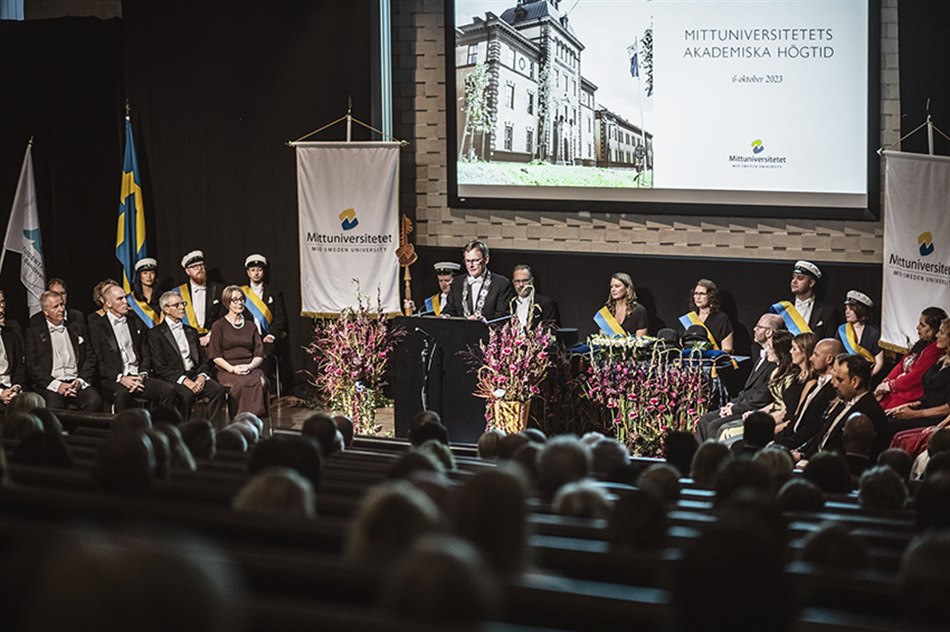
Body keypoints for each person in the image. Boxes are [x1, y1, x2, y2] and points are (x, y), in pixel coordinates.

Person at [88, 284, 176, 411]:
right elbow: (98, 361)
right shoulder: (97, 326)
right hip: (114, 379)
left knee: (168, 390)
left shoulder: (135, 321)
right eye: (120, 299)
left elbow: (145, 353)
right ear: (108, 303)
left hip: (138, 376)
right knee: (123, 394)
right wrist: (121, 378)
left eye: (125, 298)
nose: (125, 302)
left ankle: (162, 423)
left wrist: (142, 375)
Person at [696, 313, 782, 441]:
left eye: (759, 327)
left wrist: (734, 409)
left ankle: (717, 454)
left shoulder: (774, 361)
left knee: (714, 425)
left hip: (754, 411)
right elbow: (747, 391)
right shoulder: (762, 357)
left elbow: (761, 399)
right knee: (704, 420)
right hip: (742, 405)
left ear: (769, 332)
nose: (754, 329)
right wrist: (731, 404)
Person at [148, 291, 227, 424]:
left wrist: (201, 376)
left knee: (218, 390)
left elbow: (203, 359)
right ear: (166, 309)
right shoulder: (155, 334)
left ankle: (212, 430)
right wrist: (185, 381)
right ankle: (182, 431)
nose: (182, 307)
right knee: (186, 395)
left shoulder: (191, 331)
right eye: (177, 305)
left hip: (194, 374)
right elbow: (160, 367)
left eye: (182, 304)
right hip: (173, 377)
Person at [793, 355, 888, 465]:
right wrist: (802, 455)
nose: (833, 384)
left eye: (839, 380)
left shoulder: (868, 414)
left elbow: (848, 457)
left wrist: (809, 463)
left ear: (855, 382)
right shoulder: (843, 402)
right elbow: (822, 436)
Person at [25, 290, 101, 411]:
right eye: (55, 307)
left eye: (62, 304)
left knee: (94, 401)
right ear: (46, 311)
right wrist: (58, 385)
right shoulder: (33, 333)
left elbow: (90, 357)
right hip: (51, 384)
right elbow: (32, 365)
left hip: (76, 381)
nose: (61, 309)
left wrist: (80, 380)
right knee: (53, 406)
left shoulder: (78, 328)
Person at [208, 285, 269, 419]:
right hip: (226, 368)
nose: (240, 303)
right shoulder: (218, 326)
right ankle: (240, 420)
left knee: (261, 382)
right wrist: (233, 369)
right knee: (240, 383)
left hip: (249, 366)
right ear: (227, 303)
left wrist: (250, 366)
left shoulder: (251, 326)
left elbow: (259, 354)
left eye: (241, 299)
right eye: (235, 300)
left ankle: (255, 421)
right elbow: (215, 355)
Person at [773, 338, 844, 449]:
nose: (811, 358)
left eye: (816, 355)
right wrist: (774, 438)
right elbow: (796, 421)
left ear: (829, 359)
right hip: (789, 439)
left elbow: (813, 430)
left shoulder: (833, 391)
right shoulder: (814, 385)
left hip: (799, 446)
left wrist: (780, 444)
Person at [886, 317, 950, 435]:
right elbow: (928, 396)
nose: (937, 335)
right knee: (886, 417)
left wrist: (915, 414)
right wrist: (908, 406)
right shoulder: (941, 361)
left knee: (890, 427)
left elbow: (947, 408)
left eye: (941, 333)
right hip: (922, 409)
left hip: (933, 417)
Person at [876, 307, 947, 408]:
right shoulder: (921, 344)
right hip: (899, 389)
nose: (918, 327)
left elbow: (916, 376)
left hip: (911, 394)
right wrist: (885, 382)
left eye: (922, 325)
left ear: (934, 329)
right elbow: (901, 365)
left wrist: (891, 386)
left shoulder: (935, 349)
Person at [441, 240, 515, 321]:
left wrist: (481, 320)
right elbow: (450, 309)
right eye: (467, 261)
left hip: (487, 329)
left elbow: (503, 316)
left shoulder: (501, 284)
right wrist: (446, 315)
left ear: (486, 259)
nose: (471, 265)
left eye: (475, 260)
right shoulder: (457, 283)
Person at [770, 260, 836, 339]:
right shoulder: (782, 309)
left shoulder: (827, 312)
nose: (794, 281)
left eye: (800, 278)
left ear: (811, 283)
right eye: (793, 277)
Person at [174, 250, 223, 346]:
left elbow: (224, 317)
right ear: (187, 271)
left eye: (201, 265)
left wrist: (210, 336)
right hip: (185, 341)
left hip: (214, 340)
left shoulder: (219, 289)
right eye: (194, 266)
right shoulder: (177, 293)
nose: (199, 269)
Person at [677, 278, 734, 353]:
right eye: (696, 293)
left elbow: (727, 348)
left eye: (702, 294)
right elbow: (680, 345)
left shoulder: (721, 318)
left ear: (711, 296)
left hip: (712, 359)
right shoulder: (688, 318)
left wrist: (714, 356)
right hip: (689, 359)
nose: (698, 297)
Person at [836, 290, 884, 377]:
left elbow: (879, 362)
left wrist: (867, 378)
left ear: (860, 310)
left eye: (851, 309)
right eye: (846, 308)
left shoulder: (874, 332)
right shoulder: (842, 330)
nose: (847, 312)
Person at [594, 272, 647, 337]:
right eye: (611, 287)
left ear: (627, 288)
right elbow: (602, 338)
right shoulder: (607, 310)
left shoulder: (639, 311)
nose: (613, 290)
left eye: (617, 286)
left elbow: (641, 340)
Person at [509, 264, 560, 330]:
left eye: (525, 281)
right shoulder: (510, 304)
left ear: (531, 281)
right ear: (513, 282)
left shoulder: (545, 303)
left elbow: (550, 329)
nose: (521, 285)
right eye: (517, 281)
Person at [0, 290, 26, 411]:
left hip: (10, 387)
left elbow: (19, 365)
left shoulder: (10, 333)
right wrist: (1, 393)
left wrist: (16, 386)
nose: (2, 307)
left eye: (2, 302)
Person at [128, 257, 162, 328]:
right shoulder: (130, 298)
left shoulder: (162, 296)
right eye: (145, 273)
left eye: (152, 273)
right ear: (139, 275)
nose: (149, 276)